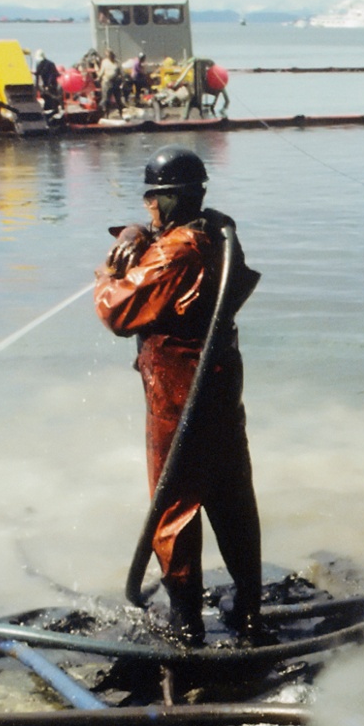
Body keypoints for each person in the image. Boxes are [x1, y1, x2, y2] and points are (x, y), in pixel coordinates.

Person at [95, 146, 264, 645]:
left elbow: (116, 311)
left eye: (153, 202)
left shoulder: (175, 252)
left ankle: (186, 622)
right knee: (232, 493)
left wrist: (107, 273)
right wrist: (133, 233)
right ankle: (250, 609)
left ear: (171, 199)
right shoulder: (214, 234)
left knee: (175, 503)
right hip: (218, 385)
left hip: (178, 392)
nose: (148, 210)